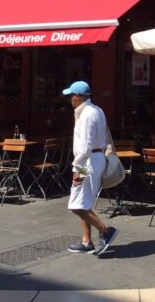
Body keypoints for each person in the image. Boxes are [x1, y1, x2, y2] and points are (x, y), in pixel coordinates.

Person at [65, 81, 118, 256]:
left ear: (79, 96)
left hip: (86, 163)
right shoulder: (97, 110)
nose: (70, 98)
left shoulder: (87, 115)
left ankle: (106, 230)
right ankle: (86, 241)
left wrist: (76, 168)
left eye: (72, 95)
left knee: (76, 204)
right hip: (94, 159)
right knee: (84, 201)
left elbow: (85, 148)